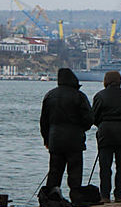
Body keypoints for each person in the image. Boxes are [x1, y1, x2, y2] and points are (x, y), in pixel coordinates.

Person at [39, 68, 93, 199]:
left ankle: (52, 196)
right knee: (75, 170)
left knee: (55, 170)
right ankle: (75, 196)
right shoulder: (79, 96)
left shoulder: (50, 95)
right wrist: (81, 129)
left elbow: (44, 121)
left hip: (55, 139)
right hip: (74, 139)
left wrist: (46, 139)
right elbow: (89, 119)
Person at [91, 70, 121, 202]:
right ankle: (119, 195)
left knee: (105, 166)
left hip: (106, 131)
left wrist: (101, 125)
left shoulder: (100, 96)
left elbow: (94, 116)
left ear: (106, 81)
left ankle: (105, 195)